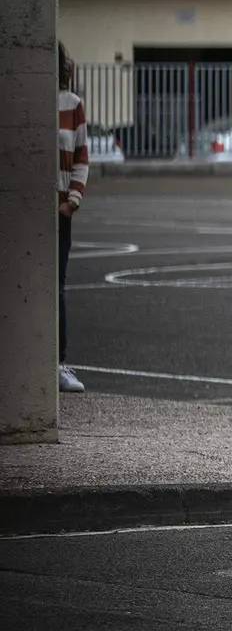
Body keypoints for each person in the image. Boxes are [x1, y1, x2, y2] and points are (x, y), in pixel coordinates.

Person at [57, 41, 88, 393]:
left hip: (60, 207)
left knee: (57, 286)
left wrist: (73, 200)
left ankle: (58, 362)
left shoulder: (71, 104)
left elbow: (81, 154)